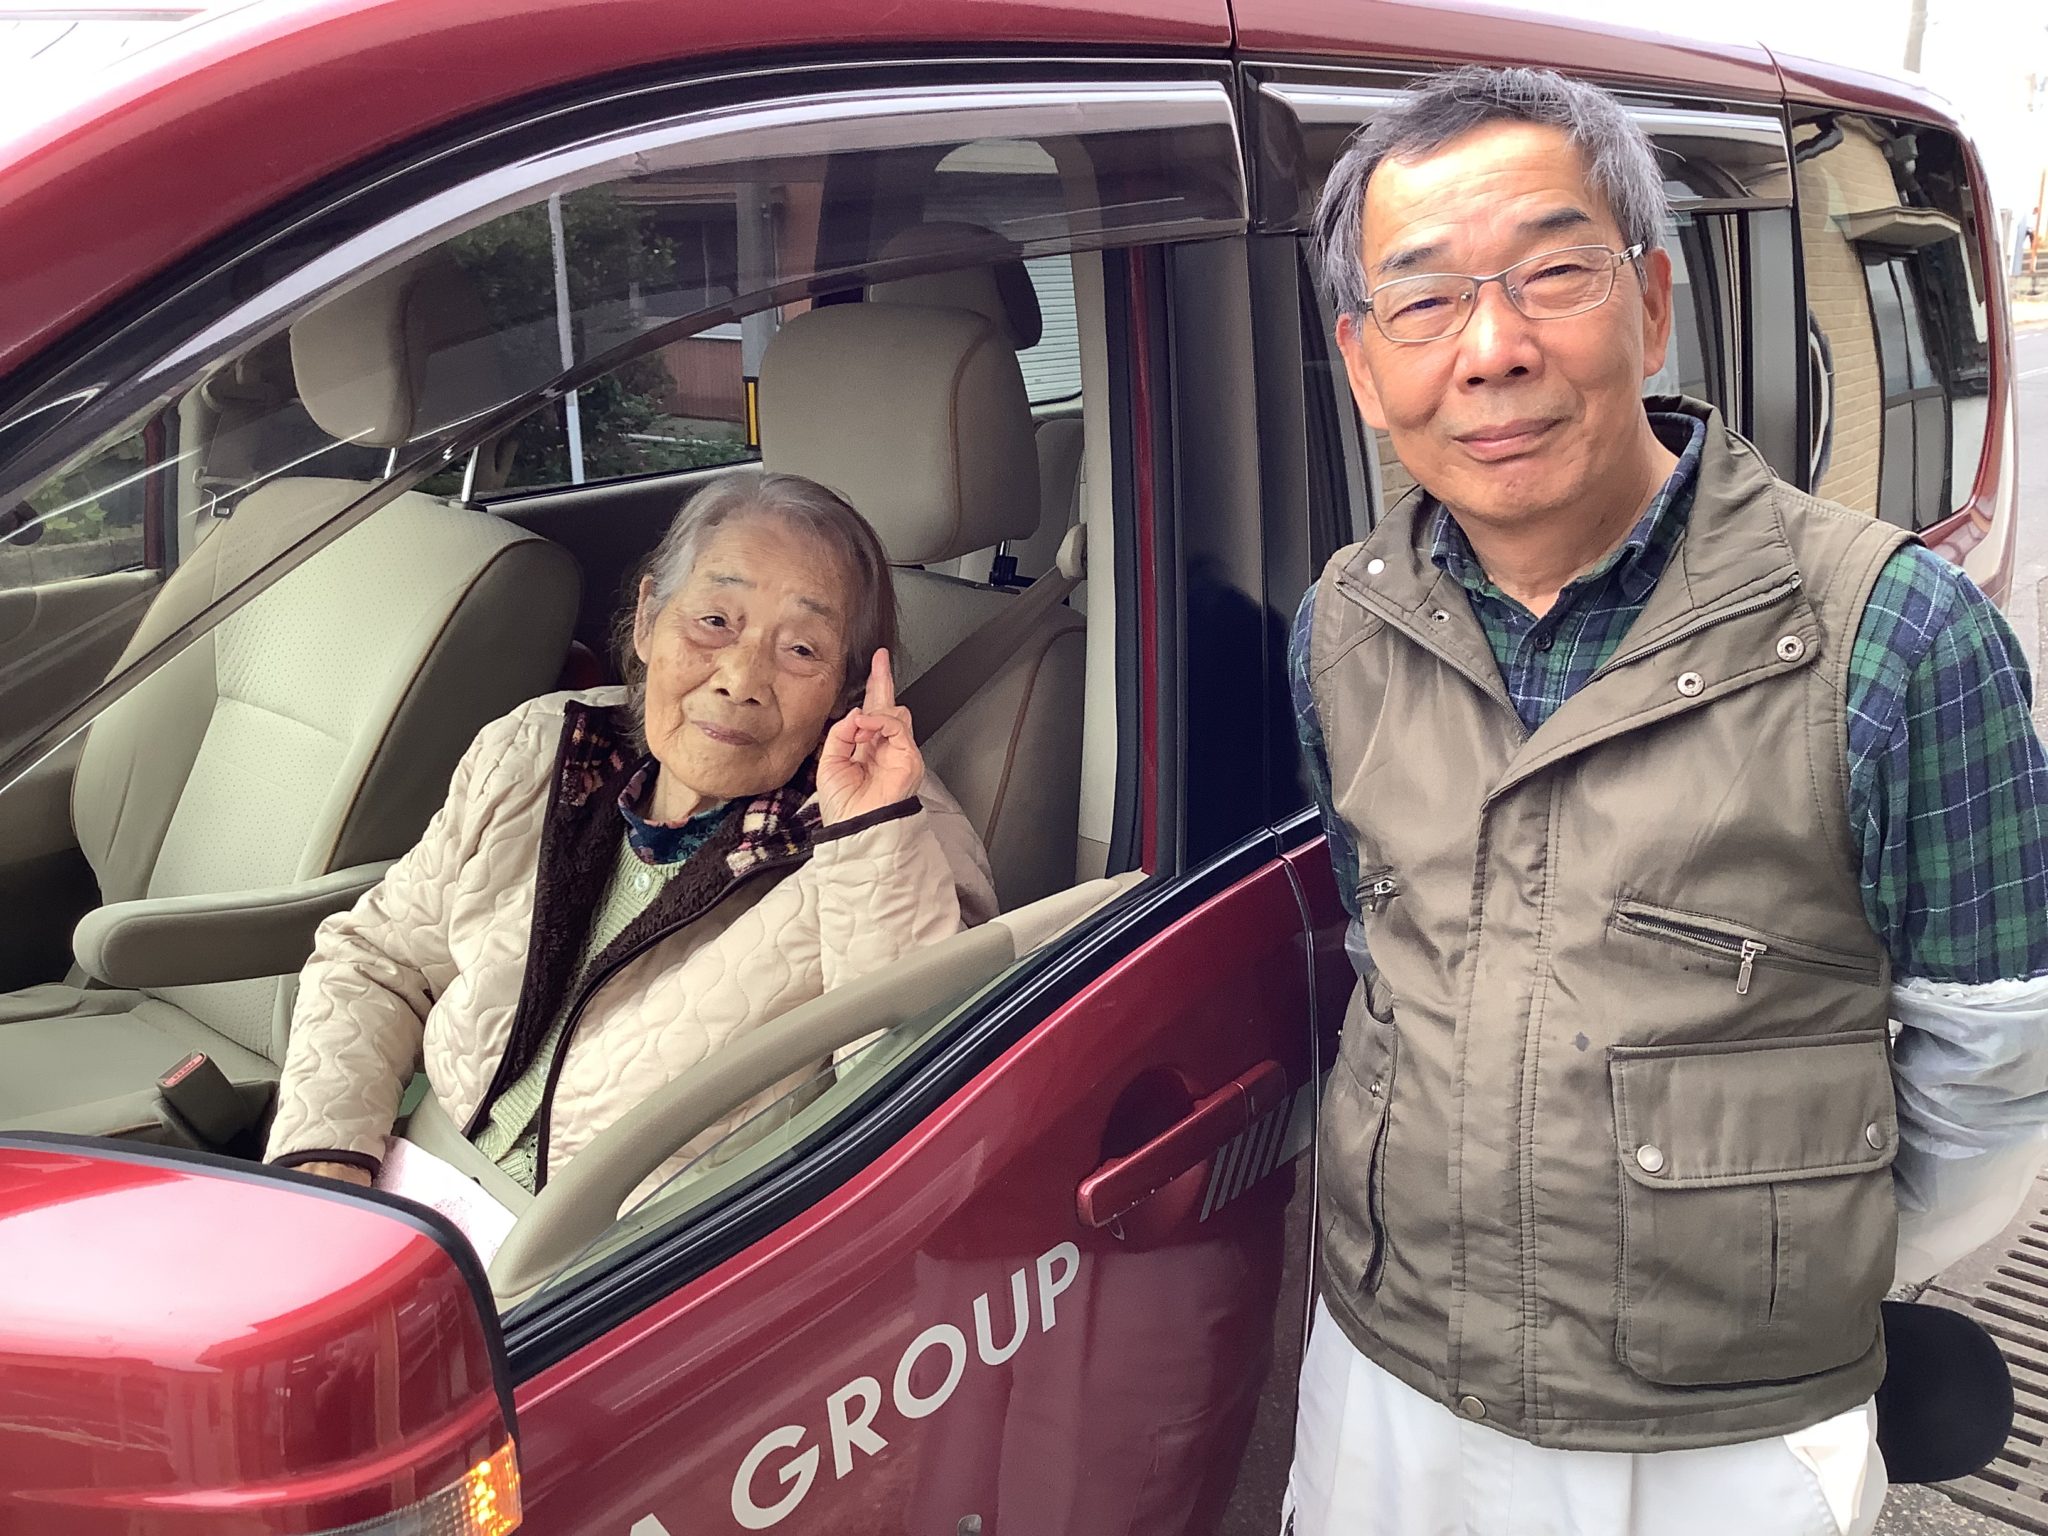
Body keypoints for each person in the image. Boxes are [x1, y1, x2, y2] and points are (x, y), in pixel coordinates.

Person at [1289, 66, 2048, 1536]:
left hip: (1724, 1437)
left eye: (1551, 275)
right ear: (1365, 365)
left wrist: (1779, 1267)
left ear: (1649, 304)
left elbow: (1993, 1066)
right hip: (1388, 1378)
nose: (1491, 350)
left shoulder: (1896, 636)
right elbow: (1385, 947)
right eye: (1424, 301)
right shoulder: (1343, 622)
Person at [266, 469, 995, 1207]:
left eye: (802, 649)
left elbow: (920, 1122)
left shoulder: (898, 837)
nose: (740, 677)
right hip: (409, 1177)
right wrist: (327, 1153)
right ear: (648, 619)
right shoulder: (538, 748)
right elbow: (380, 959)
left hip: (624, 1258)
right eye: (715, 620)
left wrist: (870, 837)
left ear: (846, 690)